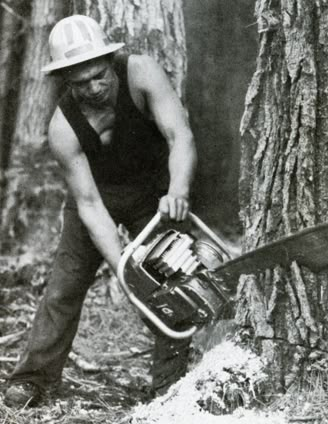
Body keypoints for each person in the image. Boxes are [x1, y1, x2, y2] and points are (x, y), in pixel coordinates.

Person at [4, 15, 197, 407]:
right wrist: (123, 264)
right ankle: (32, 379)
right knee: (64, 287)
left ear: (111, 61)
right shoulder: (63, 129)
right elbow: (89, 203)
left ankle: (169, 385)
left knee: (172, 281)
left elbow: (181, 135)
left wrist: (178, 190)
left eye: (99, 76)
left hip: (152, 193)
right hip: (93, 197)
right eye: (80, 83)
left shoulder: (142, 73)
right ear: (65, 81)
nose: (93, 88)